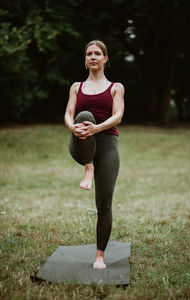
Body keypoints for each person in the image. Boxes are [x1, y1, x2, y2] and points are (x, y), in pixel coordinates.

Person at [64, 40, 125, 269]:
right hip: (81, 143)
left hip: (107, 143)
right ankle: (88, 168)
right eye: (89, 53)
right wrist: (73, 127)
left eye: (98, 53)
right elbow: (69, 114)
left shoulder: (116, 87)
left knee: (104, 203)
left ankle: (99, 255)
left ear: (105, 58)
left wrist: (97, 128)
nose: (93, 57)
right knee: (83, 114)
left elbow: (118, 116)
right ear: (85, 59)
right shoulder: (76, 87)